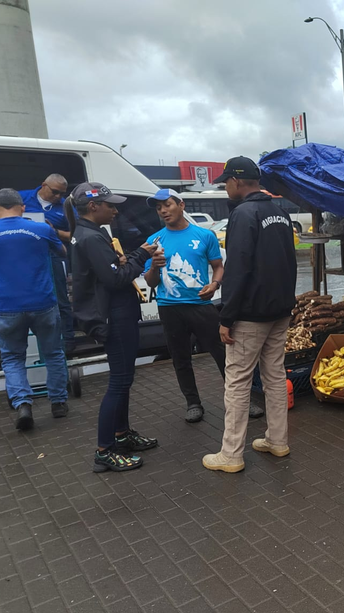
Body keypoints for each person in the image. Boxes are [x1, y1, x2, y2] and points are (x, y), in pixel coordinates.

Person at [202, 157, 297, 473]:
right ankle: (277, 440)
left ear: (237, 181)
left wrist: (226, 317)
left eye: (226, 181)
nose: (225, 186)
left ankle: (231, 454)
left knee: (238, 381)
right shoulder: (281, 214)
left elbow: (238, 269)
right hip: (280, 310)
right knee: (274, 376)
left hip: (251, 315)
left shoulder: (243, 214)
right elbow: (290, 263)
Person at [143, 189, 263, 422]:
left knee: (224, 354)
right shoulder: (154, 241)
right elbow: (150, 282)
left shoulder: (205, 235)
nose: (163, 211)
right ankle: (193, 403)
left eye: (167, 205)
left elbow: (218, 265)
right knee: (180, 357)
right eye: (159, 208)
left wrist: (215, 284)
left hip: (201, 304)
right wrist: (155, 266)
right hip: (169, 307)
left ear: (181, 204)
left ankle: (241, 402)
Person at [65, 182, 160, 472]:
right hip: (113, 319)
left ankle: (121, 434)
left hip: (117, 315)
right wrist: (141, 254)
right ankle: (105, 450)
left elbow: (111, 271)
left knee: (124, 380)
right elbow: (117, 280)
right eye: (110, 205)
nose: (116, 210)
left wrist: (124, 260)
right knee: (119, 382)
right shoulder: (90, 237)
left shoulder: (90, 233)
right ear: (93, 207)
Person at [0, 189, 69, 430]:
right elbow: (63, 252)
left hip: (7, 306)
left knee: (13, 358)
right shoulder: (42, 230)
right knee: (54, 353)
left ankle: (23, 403)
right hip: (43, 302)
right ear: (23, 207)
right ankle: (58, 403)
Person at [19, 175, 77, 352]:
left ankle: (68, 340)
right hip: (26, 257)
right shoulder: (21, 198)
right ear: (43, 185)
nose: (59, 196)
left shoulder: (65, 206)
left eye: (62, 193)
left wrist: (54, 232)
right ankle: (33, 344)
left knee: (61, 299)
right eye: (55, 192)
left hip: (55, 256)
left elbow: (76, 235)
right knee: (28, 299)